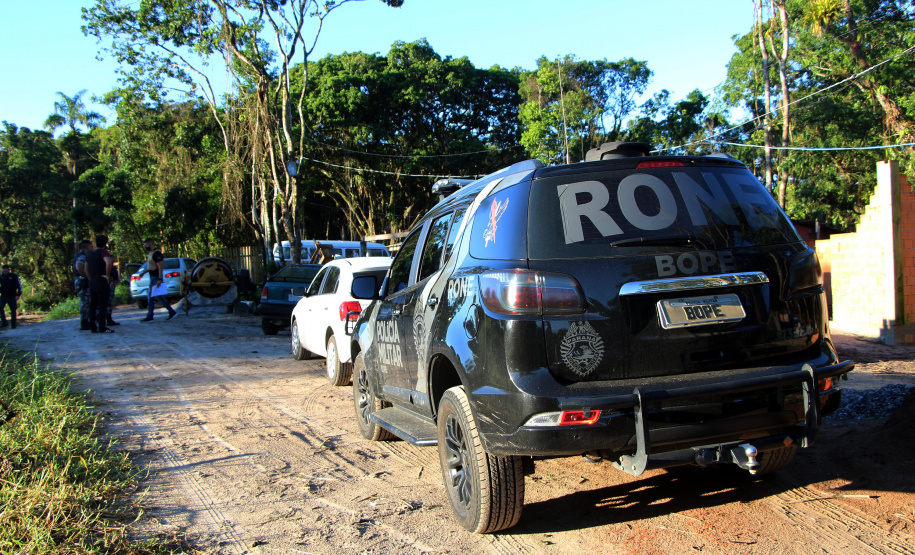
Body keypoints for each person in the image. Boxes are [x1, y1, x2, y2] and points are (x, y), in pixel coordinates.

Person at [138, 238, 177, 322]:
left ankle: (150, 316)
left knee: (151, 297)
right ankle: (171, 311)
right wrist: (143, 272)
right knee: (158, 297)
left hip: (155, 278)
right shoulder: (150, 253)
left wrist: (160, 278)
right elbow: (150, 266)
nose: (145, 247)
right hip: (152, 277)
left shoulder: (156, 253)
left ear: (151, 243)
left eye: (146, 245)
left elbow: (160, 266)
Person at [86, 235, 116, 334]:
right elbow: (108, 262)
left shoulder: (89, 254)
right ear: (105, 243)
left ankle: (92, 327)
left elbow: (85, 268)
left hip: (92, 281)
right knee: (103, 304)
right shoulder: (104, 252)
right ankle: (102, 326)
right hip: (101, 280)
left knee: (92, 304)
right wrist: (107, 276)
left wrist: (89, 277)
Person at [74, 240, 93, 330]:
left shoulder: (82, 255)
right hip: (83, 281)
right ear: (87, 247)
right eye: (90, 246)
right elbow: (79, 267)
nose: (91, 248)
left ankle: (87, 321)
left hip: (83, 281)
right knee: (85, 302)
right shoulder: (82, 255)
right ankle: (84, 322)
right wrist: (88, 277)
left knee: (88, 302)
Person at [0, 265, 22, 330]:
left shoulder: (14, 276)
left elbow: (19, 286)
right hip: (4, 296)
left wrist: (18, 295)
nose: (5, 272)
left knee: (13, 310)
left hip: (12, 296)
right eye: (3, 271)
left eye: (6, 271)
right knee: (0, 308)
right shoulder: (1, 277)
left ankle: (13, 325)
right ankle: (4, 322)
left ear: (8, 270)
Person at [106, 260, 120, 326]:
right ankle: (107, 319)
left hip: (109, 283)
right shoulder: (107, 265)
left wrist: (115, 281)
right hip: (107, 284)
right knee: (108, 302)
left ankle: (108, 319)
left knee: (109, 301)